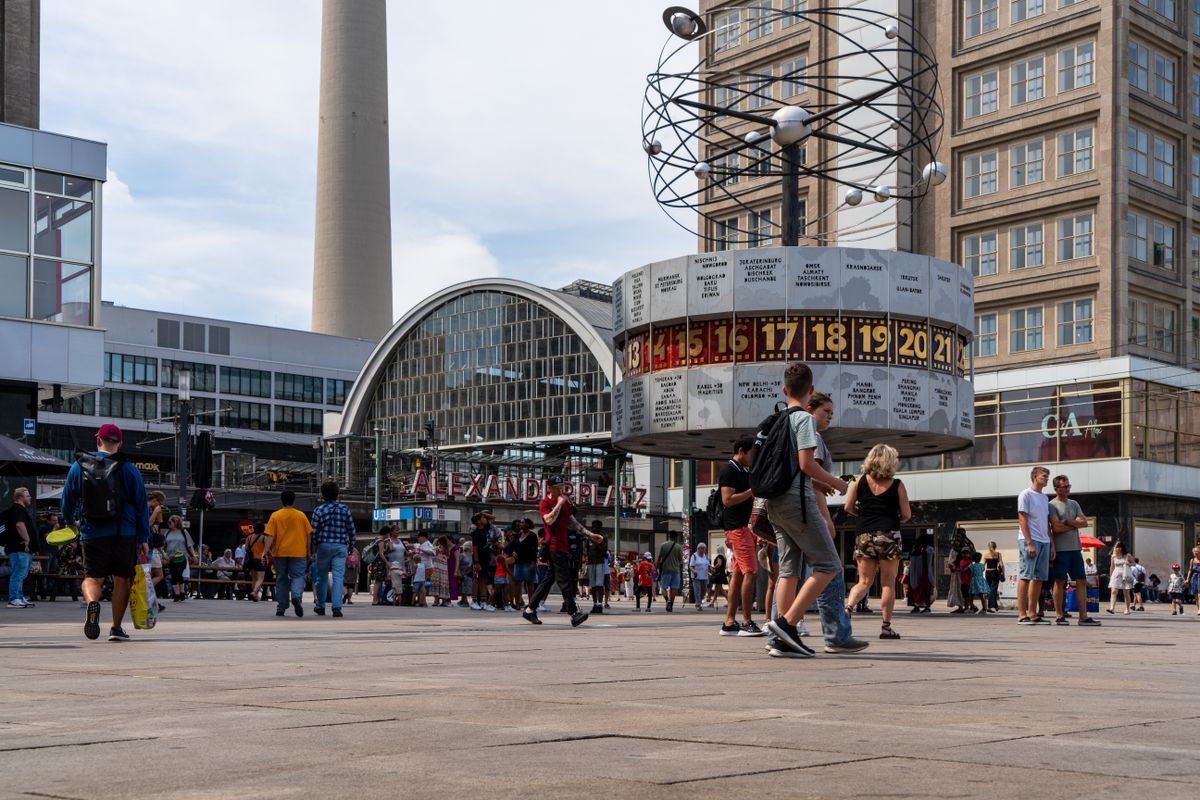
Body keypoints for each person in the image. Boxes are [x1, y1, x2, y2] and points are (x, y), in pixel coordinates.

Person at [764, 362, 865, 658]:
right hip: (798, 501)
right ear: (810, 392)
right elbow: (808, 465)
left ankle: (781, 640)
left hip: (775, 502)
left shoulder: (776, 419)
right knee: (829, 565)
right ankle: (788, 625)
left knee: (789, 569)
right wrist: (838, 483)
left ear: (785, 390)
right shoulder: (804, 421)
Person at [60, 423, 151, 641]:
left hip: (92, 532)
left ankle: (92, 603)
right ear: (119, 443)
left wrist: (70, 522)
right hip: (124, 532)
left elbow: (67, 500)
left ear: (98, 440)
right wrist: (144, 537)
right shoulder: (128, 468)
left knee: (92, 577)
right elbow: (141, 505)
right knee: (122, 580)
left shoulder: (79, 466)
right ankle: (116, 628)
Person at [843, 443, 911, 640]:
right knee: (888, 583)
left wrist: (862, 515)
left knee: (864, 581)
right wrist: (894, 519)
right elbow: (906, 514)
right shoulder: (897, 484)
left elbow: (848, 507)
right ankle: (886, 627)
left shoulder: (860, 482)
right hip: (889, 534)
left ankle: (848, 608)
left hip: (864, 534)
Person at [523, 477, 601, 626]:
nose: (561, 490)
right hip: (554, 546)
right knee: (565, 580)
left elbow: (573, 522)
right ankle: (573, 613)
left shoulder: (565, 504)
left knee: (548, 581)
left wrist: (591, 535)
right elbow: (549, 521)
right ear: (550, 488)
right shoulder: (545, 503)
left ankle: (529, 610)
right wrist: (559, 503)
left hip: (562, 546)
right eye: (558, 487)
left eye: (562, 487)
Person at [718, 435, 765, 636]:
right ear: (741, 451)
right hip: (736, 527)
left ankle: (729, 622)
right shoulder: (730, 470)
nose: (754, 458)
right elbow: (727, 499)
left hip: (742, 527)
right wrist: (750, 492)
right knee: (751, 572)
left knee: (738, 573)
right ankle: (746, 621)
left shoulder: (743, 470)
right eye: (752, 453)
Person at [1046, 475, 1100, 626]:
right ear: (1056, 488)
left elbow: (1084, 523)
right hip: (1061, 550)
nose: (1068, 489)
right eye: (1064, 486)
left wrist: (1067, 522)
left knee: (1081, 581)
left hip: (1075, 549)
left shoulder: (1074, 503)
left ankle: (1083, 616)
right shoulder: (1051, 505)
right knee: (1060, 582)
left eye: (1069, 486)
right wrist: (1074, 523)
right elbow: (1056, 527)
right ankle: (1059, 615)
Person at [262, 490, 312, 618]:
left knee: (281, 578)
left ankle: (281, 607)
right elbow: (308, 535)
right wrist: (308, 551)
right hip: (299, 551)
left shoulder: (275, 516)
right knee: (298, 576)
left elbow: (270, 536)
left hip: (279, 552)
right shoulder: (301, 516)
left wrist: (265, 552)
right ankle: (296, 596)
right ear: (294, 500)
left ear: (281, 500)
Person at [310, 480, 354, 618]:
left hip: (323, 546)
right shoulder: (344, 509)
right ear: (337, 494)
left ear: (323, 495)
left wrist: (314, 546)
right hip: (340, 546)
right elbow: (351, 529)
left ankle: (320, 606)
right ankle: (336, 607)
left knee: (321, 577)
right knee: (338, 577)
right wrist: (351, 545)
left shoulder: (318, 510)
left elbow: (314, 531)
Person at [1016, 467, 1053, 625]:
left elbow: (1046, 523)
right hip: (1029, 540)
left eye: (1047, 476)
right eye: (1044, 476)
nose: (1047, 479)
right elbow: (1022, 519)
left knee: (1039, 578)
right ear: (1035, 477)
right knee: (1026, 576)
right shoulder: (1025, 494)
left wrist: (1051, 544)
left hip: (1044, 540)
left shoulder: (1045, 497)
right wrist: (1029, 542)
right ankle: (1021, 613)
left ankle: (1032, 612)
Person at [4, 488, 36, 608]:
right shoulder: (18, 509)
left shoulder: (20, 509)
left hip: (22, 549)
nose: (30, 497)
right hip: (18, 548)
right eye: (27, 495)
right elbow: (19, 524)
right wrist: (27, 540)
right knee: (18, 573)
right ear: (21, 497)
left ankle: (19, 597)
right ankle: (14, 599)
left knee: (21, 574)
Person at [162, 514, 195, 602]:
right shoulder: (167, 532)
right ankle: (176, 594)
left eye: (170, 522)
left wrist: (194, 556)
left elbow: (190, 545)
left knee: (179, 573)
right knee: (173, 575)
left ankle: (182, 592)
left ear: (176, 523)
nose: (169, 524)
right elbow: (163, 545)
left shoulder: (184, 532)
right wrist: (163, 556)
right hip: (170, 557)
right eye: (168, 522)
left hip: (181, 556)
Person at [469, 512, 496, 611]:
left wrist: (482, 514)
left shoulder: (486, 530)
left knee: (484, 580)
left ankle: (483, 602)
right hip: (478, 559)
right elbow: (475, 548)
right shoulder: (475, 533)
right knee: (476, 579)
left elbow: (493, 518)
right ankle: (474, 601)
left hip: (486, 559)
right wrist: (476, 561)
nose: (485, 519)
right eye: (483, 518)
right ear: (478, 521)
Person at [655, 531, 684, 612]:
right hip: (676, 570)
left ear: (669, 536)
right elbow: (681, 560)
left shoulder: (663, 545)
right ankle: (671, 604)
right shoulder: (678, 547)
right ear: (676, 537)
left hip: (665, 570)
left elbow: (659, 558)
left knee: (663, 587)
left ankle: (667, 600)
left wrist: (656, 569)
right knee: (674, 588)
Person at [512, 519, 538, 609]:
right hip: (518, 562)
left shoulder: (532, 535)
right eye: (520, 522)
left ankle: (531, 604)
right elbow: (514, 546)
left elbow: (534, 550)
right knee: (517, 582)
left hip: (528, 562)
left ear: (528, 524)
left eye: (523, 522)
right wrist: (513, 552)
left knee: (529, 583)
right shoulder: (517, 535)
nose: (520, 524)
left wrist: (533, 562)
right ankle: (517, 603)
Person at [585, 520, 608, 614]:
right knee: (593, 586)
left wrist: (595, 543)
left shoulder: (603, 538)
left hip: (600, 563)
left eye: (595, 527)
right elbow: (586, 550)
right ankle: (594, 604)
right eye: (592, 526)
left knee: (599, 585)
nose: (593, 528)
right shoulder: (588, 538)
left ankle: (600, 604)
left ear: (600, 528)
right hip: (591, 563)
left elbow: (604, 552)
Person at [1106, 542, 1133, 615]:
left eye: (1119, 547)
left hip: (1125, 574)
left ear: (1122, 548)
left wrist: (1129, 564)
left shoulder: (1127, 555)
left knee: (1126, 593)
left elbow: (1134, 563)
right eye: (1117, 547)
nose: (1118, 548)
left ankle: (1127, 609)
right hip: (1116, 574)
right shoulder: (1113, 556)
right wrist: (1111, 576)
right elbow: (1111, 567)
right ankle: (1112, 608)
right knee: (1113, 591)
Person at [245, 522, 267, 602]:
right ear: (263, 529)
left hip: (251, 560)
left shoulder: (249, 537)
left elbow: (246, 549)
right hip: (260, 560)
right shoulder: (264, 537)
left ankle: (256, 596)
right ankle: (254, 592)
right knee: (260, 579)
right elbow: (267, 549)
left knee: (254, 579)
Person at [983, 542, 1004, 612]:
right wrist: (1003, 573)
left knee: (990, 590)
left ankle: (995, 606)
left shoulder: (986, 555)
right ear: (995, 546)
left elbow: (983, 565)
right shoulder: (998, 554)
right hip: (995, 572)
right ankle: (990, 606)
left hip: (987, 573)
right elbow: (1001, 564)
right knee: (993, 590)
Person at [430, 536, 450, 607]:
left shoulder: (438, 547)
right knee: (443, 583)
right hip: (444, 568)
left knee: (437, 583)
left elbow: (432, 550)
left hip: (437, 567)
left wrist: (434, 543)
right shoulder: (447, 549)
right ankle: (444, 601)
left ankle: (436, 601)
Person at [689, 542, 710, 611]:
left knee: (704, 590)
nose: (704, 550)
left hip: (704, 576)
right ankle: (698, 604)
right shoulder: (694, 556)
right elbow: (691, 566)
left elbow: (708, 565)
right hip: (696, 576)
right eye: (703, 549)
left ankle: (699, 601)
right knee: (697, 591)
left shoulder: (706, 556)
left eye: (704, 549)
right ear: (698, 548)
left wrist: (711, 569)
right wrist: (694, 571)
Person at [1188, 546, 1200, 615]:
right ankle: (1198, 609)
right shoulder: (1192, 560)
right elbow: (1190, 570)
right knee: (1195, 595)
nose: (1195, 553)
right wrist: (1187, 579)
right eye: (1194, 552)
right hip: (1194, 577)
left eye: (1197, 552)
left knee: (1199, 594)